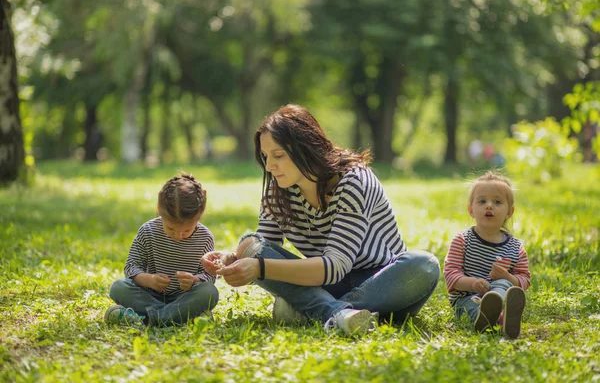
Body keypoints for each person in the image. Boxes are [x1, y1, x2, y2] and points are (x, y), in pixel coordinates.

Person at [201, 104, 440, 336]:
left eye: (279, 155)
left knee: (425, 264)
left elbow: (336, 266)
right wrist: (233, 260)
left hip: (382, 281)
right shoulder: (278, 191)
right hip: (324, 282)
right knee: (249, 244)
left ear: (306, 148)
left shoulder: (354, 181)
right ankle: (341, 314)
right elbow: (263, 250)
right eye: (265, 156)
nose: (270, 166)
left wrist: (259, 267)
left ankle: (312, 309)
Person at [105, 173, 218, 327]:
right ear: (159, 209)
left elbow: (209, 276)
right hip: (150, 295)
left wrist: (194, 280)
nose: (178, 236)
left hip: (184, 298)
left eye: (187, 230)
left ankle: (146, 320)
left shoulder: (205, 238)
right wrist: (149, 280)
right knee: (119, 287)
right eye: (171, 228)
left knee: (209, 292)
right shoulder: (148, 231)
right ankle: (181, 316)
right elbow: (131, 267)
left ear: (199, 217)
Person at [443, 171, 530, 338]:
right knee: (472, 307)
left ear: (509, 212)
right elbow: (451, 275)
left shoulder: (515, 247)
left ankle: (500, 312)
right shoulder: (462, 240)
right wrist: (473, 283)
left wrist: (509, 278)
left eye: (497, 202)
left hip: (501, 294)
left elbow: (524, 278)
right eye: (482, 201)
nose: (489, 206)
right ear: (471, 210)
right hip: (467, 298)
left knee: (504, 282)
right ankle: (493, 319)